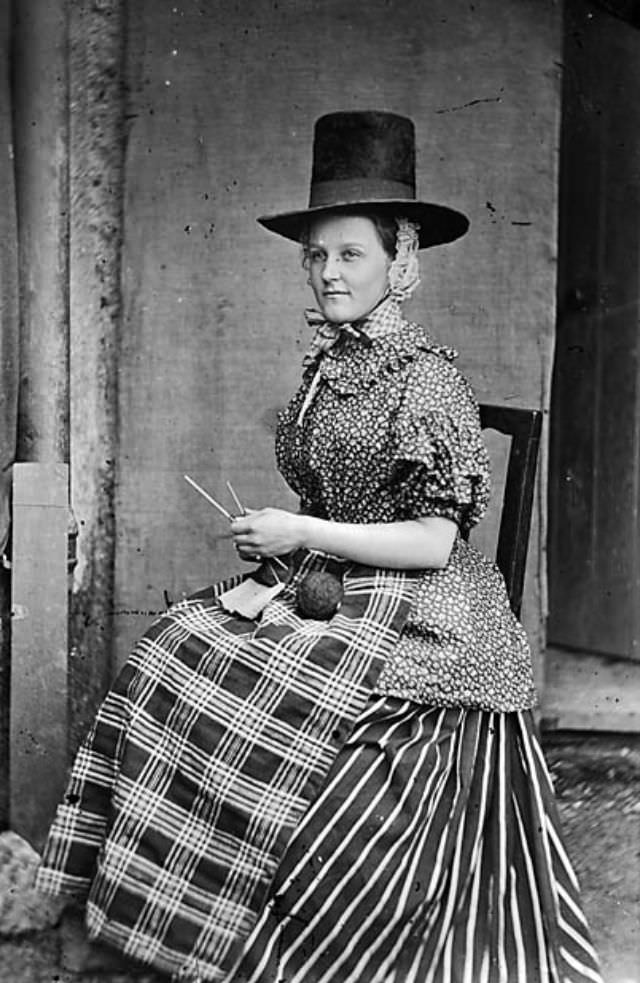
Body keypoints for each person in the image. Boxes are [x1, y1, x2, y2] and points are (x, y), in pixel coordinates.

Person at [36, 111, 602, 983]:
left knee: (270, 698)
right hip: (333, 577)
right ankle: (153, 911)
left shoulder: (429, 380)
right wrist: (286, 558)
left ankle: (270, 938)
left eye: (351, 254)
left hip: (425, 603)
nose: (330, 272)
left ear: (399, 262)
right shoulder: (328, 367)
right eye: (317, 255)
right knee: (170, 651)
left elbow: (433, 538)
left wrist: (299, 533)